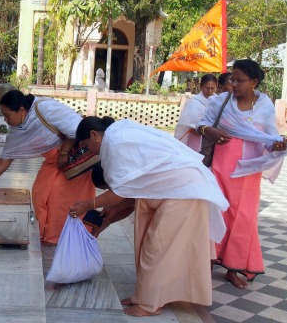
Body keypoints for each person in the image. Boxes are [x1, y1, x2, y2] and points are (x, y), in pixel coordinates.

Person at [70, 116, 229, 317]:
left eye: (85, 146)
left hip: (184, 191)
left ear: (94, 135)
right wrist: (107, 219)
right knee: (151, 247)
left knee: (156, 250)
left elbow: (120, 193)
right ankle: (144, 296)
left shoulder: (115, 142)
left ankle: (149, 305)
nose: (89, 152)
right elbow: (131, 197)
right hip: (177, 190)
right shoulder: (119, 135)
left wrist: (87, 204)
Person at [197, 59, 287, 289]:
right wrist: (208, 129)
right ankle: (207, 262)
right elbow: (201, 124)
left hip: (249, 171)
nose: (234, 84)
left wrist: (277, 146)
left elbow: (269, 139)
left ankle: (233, 268)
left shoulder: (264, 107)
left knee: (243, 219)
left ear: (254, 82)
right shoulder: (221, 101)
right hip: (221, 166)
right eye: (233, 79)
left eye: (240, 80)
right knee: (215, 212)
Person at [0, 90, 95, 246]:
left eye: (7, 115)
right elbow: (3, 162)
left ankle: (68, 240)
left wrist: (63, 152)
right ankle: (46, 237)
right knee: (39, 195)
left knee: (59, 200)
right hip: (54, 163)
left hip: (75, 164)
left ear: (22, 110)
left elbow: (79, 129)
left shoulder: (45, 109)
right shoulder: (16, 130)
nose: (5, 119)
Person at [174, 73, 217, 151]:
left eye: (212, 88)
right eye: (207, 88)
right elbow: (190, 124)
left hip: (212, 139)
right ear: (201, 87)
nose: (210, 91)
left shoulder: (218, 101)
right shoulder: (193, 103)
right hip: (195, 137)